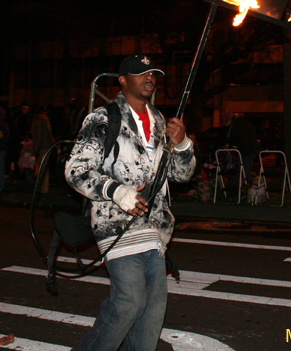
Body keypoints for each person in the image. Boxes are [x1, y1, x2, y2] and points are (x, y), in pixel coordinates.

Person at [66, 54, 195, 351]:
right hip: (117, 225)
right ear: (123, 80)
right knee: (129, 302)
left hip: (156, 228)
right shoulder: (103, 117)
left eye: (153, 73)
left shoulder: (162, 121)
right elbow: (76, 170)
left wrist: (184, 144)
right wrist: (116, 191)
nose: (149, 78)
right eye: (141, 73)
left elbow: (180, 174)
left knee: (152, 311)